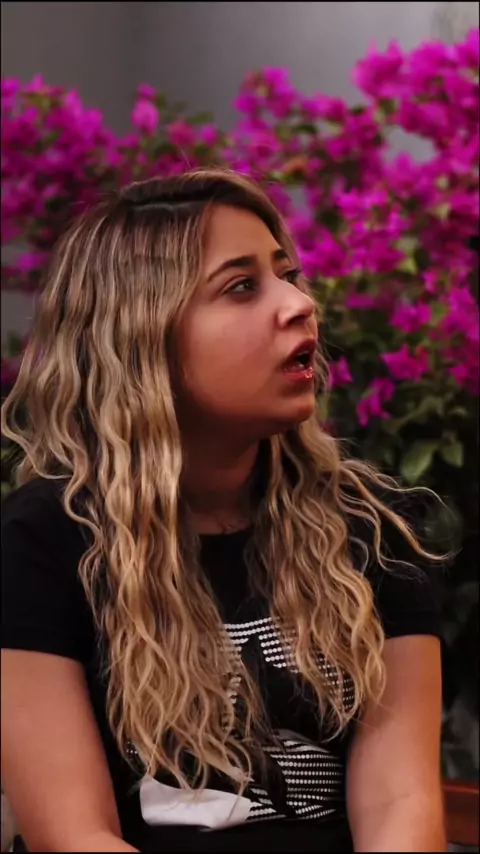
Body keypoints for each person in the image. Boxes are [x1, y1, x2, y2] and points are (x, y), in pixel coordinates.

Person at [1, 168, 447, 853]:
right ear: (143, 336)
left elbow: (401, 803)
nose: (300, 304)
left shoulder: (375, 528)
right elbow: (75, 835)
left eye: (288, 275)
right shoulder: (41, 540)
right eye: (241, 287)